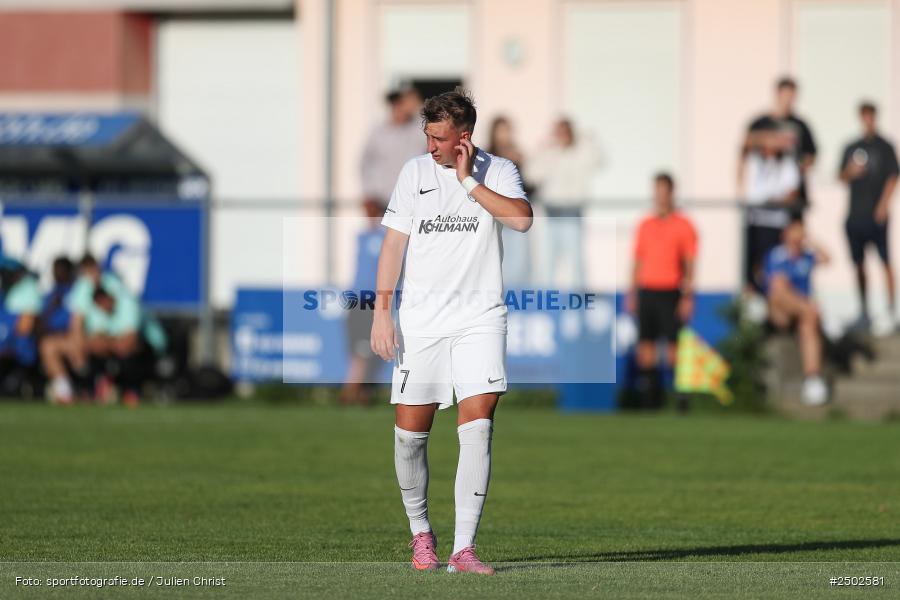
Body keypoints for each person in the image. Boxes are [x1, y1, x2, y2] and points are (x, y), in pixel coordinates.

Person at [372, 88, 531, 575]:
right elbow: (394, 246)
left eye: (439, 138)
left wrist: (467, 183)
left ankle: (464, 550)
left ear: (464, 138)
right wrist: (382, 310)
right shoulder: (413, 173)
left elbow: (522, 221)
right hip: (422, 324)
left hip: (480, 319)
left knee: (478, 424)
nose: (430, 145)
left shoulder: (498, 171)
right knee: (409, 436)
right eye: (427, 134)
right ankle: (422, 534)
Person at [626, 173, 698, 411]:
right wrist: (632, 292)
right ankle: (650, 400)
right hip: (648, 291)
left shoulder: (683, 224)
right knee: (645, 348)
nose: (660, 196)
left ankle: (680, 400)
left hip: (670, 291)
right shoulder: (645, 224)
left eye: (664, 191)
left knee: (673, 349)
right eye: (657, 191)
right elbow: (637, 260)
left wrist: (688, 296)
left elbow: (689, 263)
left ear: (671, 193)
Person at [838, 102, 899, 331]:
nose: (868, 120)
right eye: (864, 116)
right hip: (856, 215)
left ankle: (892, 312)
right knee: (859, 264)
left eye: (871, 116)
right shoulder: (851, 147)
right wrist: (849, 171)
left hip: (877, 216)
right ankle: (864, 311)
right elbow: (841, 176)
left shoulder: (885, 146)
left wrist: (883, 205)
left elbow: (894, 176)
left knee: (885, 262)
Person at [526, 118, 602, 289]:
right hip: (551, 215)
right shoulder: (549, 154)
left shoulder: (581, 153)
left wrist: (584, 138)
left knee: (576, 262)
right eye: (559, 132)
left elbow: (598, 160)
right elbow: (532, 174)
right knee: (547, 261)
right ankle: (545, 303)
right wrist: (544, 148)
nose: (563, 136)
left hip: (572, 214)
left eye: (566, 131)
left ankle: (578, 302)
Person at [764, 215, 829, 406]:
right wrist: (805, 305)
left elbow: (828, 258)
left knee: (808, 325)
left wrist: (812, 241)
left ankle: (812, 378)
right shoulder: (777, 255)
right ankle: (808, 309)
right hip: (780, 310)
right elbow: (778, 289)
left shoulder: (807, 256)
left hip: (801, 313)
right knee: (786, 294)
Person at [740, 124, 801, 292]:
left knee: (771, 267)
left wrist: (772, 200)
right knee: (751, 268)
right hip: (754, 220)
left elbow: (791, 193)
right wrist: (767, 136)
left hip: (775, 223)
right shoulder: (755, 160)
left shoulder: (787, 164)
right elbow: (745, 143)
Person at [742, 77, 817, 208]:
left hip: (791, 193)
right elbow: (746, 146)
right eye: (786, 95)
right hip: (764, 190)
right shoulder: (760, 124)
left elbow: (811, 155)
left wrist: (797, 168)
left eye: (792, 96)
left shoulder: (800, 126)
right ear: (777, 94)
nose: (788, 100)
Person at [340, 199, 387, 406]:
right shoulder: (362, 237)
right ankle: (355, 392)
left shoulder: (384, 237)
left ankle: (353, 391)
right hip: (357, 298)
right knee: (359, 348)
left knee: (366, 348)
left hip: (373, 299)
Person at [360, 86, 426, 206]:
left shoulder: (420, 130)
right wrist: (368, 193)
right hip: (383, 201)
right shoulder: (378, 133)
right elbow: (366, 164)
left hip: (413, 199)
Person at [487, 116, 532, 288]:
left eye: (508, 130)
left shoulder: (517, 155)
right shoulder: (487, 155)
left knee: (519, 263)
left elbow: (526, 186)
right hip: (496, 218)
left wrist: (520, 163)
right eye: (502, 130)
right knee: (499, 262)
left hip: (515, 216)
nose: (506, 135)